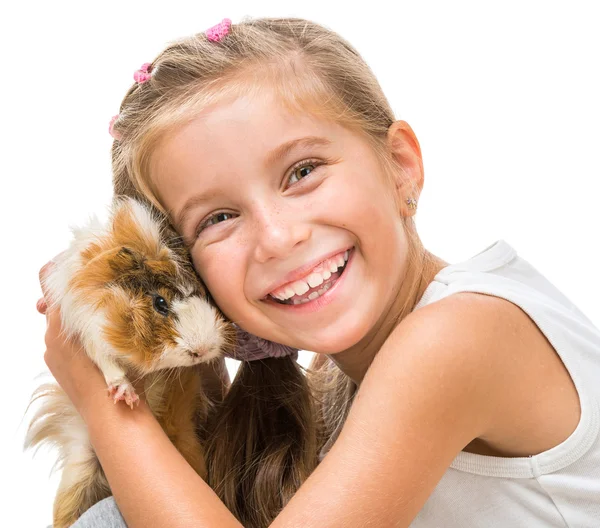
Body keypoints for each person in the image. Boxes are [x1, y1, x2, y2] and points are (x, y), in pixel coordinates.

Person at [37, 16, 600, 528]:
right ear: (191, 278)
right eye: (220, 218)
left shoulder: (458, 336)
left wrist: (100, 400)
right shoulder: (340, 379)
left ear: (401, 166)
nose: (279, 237)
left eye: (302, 171)